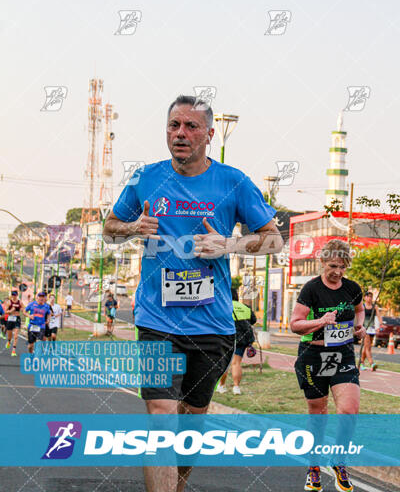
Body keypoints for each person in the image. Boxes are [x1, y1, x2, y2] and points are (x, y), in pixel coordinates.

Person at [103, 95, 283, 492]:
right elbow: (109, 228)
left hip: (212, 324)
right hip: (156, 319)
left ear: (209, 134)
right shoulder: (144, 178)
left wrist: (228, 245)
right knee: (161, 416)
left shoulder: (233, 181)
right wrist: (133, 229)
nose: (180, 134)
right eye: (174, 126)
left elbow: (274, 241)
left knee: (191, 422)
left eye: (191, 126)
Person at [290, 239, 366, 492]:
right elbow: (295, 324)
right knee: (318, 415)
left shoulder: (352, 287)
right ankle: (313, 467)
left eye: (343, 266)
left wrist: (359, 327)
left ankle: (338, 459)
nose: (338, 271)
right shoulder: (311, 289)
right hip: (314, 354)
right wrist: (321, 321)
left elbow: (359, 309)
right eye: (333, 265)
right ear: (322, 262)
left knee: (349, 410)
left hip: (342, 354)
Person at [217, 287, 257, 395]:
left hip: (228, 338)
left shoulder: (224, 307)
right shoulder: (245, 307)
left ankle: (221, 386)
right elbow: (253, 320)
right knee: (236, 363)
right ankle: (236, 387)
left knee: (225, 363)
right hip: (242, 339)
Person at [360, 291, 383, 371]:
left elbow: (379, 316)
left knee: (366, 347)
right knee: (368, 347)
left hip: (372, 329)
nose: (369, 298)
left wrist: (381, 324)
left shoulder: (375, 307)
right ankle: (372, 363)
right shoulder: (362, 306)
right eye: (368, 296)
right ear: (365, 297)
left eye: (371, 297)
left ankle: (361, 363)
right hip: (364, 329)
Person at [3, 290, 25, 357]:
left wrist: (22, 310)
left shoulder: (20, 302)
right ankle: (9, 341)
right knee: (9, 335)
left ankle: (13, 350)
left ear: (17, 295)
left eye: (15, 295)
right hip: (10, 319)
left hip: (17, 319)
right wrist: (11, 310)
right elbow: (5, 312)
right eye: (13, 295)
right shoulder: (9, 302)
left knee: (15, 336)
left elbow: (24, 309)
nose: (14, 296)